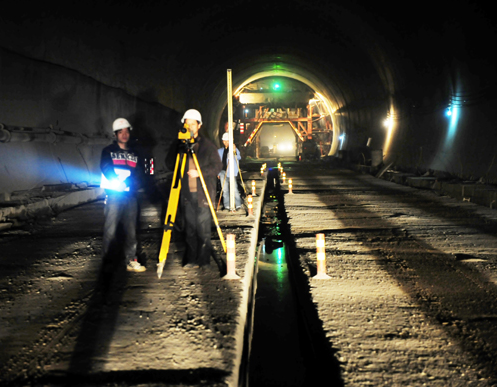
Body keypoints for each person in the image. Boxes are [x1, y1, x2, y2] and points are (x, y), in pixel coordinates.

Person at [166, 109, 222, 269]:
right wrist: (178, 147)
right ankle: (191, 259)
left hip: (203, 194)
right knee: (189, 229)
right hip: (186, 194)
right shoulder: (180, 144)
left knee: (203, 229)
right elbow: (169, 164)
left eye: (193, 123)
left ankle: (203, 261)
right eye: (187, 123)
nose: (189, 126)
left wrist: (200, 173)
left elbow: (217, 166)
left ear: (199, 125)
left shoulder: (208, 146)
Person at [100, 117, 146, 272]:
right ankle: (108, 261)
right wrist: (117, 181)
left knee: (131, 229)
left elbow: (139, 172)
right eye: (121, 132)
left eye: (126, 131)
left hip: (130, 196)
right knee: (110, 229)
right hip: (114, 195)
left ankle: (131, 260)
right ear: (115, 134)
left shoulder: (135, 153)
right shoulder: (108, 151)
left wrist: (128, 183)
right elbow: (105, 167)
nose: (124, 134)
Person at [218, 132, 242, 210]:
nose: (226, 142)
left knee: (234, 188)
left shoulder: (234, 149)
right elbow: (217, 162)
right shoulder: (220, 151)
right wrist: (218, 173)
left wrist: (234, 151)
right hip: (222, 172)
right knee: (224, 190)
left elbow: (238, 157)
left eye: (227, 140)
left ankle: (238, 204)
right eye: (224, 141)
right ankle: (227, 205)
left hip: (231, 171)